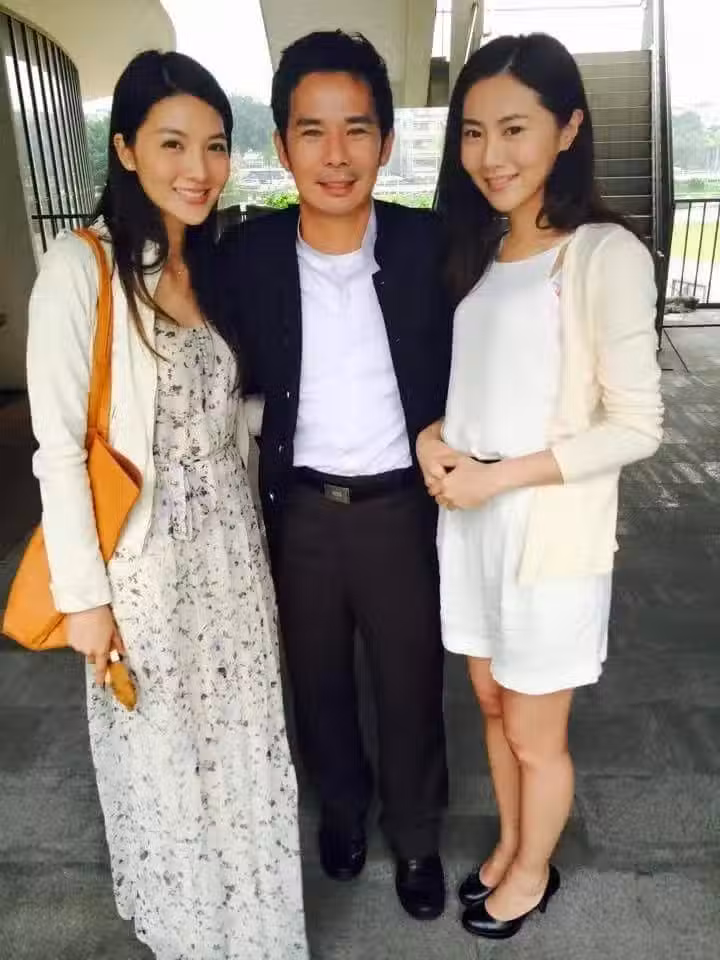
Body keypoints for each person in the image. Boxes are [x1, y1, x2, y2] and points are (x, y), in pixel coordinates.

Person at [26, 51, 307, 960]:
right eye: (173, 143)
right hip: (143, 562)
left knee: (243, 739)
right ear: (126, 149)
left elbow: (228, 409)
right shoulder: (83, 269)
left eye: (216, 145)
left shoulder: (211, 266)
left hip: (232, 546)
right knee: (165, 751)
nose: (199, 167)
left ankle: (254, 926)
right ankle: (192, 930)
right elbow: (58, 449)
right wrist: (85, 599)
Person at [419, 33, 663, 940]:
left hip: (548, 535)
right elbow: (479, 389)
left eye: (515, 128)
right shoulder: (481, 250)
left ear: (569, 129)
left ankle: (532, 872)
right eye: (474, 131)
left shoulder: (603, 254)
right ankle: (514, 841)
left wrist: (498, 479)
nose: (491, 154)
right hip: (474, 525)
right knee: (491, 704)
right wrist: (434, 441)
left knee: (535, 732)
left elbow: (637, 426)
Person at [216, 31, 451, 920]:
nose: (336, 155)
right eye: (312, 132)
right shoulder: (250, 255)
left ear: (384, 141)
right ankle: (344, 812)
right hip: (302, 508)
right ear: (282, 147)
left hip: (402, 507)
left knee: (410, 682)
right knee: (316, 680)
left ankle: (416, 836)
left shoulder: (430, 246)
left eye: (356, 129)